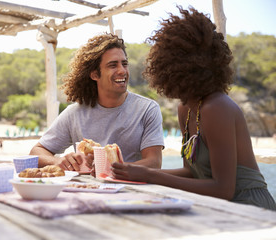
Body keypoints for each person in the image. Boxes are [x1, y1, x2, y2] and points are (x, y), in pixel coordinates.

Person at [112, 6, 276, 211]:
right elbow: (191, 173)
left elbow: (223, 189)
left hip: (251, 208)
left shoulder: (216, 107)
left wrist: (150, 175)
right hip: (220, 207)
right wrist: (132, 171)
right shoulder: (186, 108)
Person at [30, 33, 164, 172]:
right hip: (86, 190)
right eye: (113, 65)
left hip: (131, 191)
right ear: (94, 74)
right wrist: (58, 162)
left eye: (124, 64)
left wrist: (108, 168)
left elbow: (154, 162)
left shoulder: (147, 109)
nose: (122, 71)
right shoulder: (75, 113)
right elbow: (36, 152)